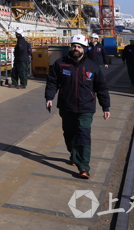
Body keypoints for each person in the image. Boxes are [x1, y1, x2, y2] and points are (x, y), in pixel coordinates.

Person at [45, 34, 111, 180]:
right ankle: (74, 154)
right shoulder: (60, 64)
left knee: (83, 135)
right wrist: (49, 97)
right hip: (66, 106)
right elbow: (52, 82)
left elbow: (102, 88)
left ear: (85, 49)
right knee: (69, 134)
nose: (76, 48)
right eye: (74, 46)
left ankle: (84, 167)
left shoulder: (93, 67)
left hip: (86, 107)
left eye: (79, 46)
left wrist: (106, 107)